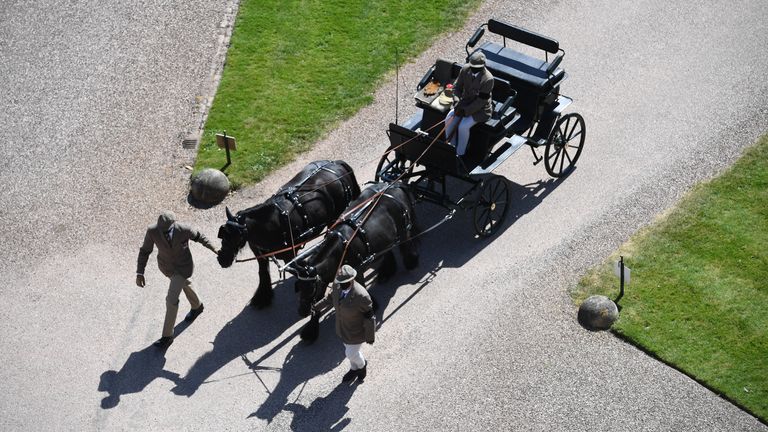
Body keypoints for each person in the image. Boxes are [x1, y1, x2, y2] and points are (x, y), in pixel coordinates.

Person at [135, 211, 218, 349]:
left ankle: (167, 337)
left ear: (174, 223)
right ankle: (197, 306)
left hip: (183, 268)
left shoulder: (184, 229)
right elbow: (145, 251)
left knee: (171, 299)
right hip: (167, 268)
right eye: (161, 229)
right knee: (184, 284)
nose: (163, 231)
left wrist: (215, 249)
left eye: (167, 229)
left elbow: (200, 237)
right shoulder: (152, 231)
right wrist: (140, 272)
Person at [312, 265, 375, 383]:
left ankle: (362, 366)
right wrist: (316, 307)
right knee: (351, 351)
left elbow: (370, 317)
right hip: (342, 329)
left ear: (352, 279)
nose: (342, 285)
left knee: (350, 353)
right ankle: (354, 369)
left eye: (345, 282)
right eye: (340, 282)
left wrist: (370, 336)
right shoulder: (337, 285)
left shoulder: (362, 295)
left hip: (356, 331)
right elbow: (330, 298)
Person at [444, 51, 494, 156]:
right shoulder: (465, 69)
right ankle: (451, 147)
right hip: (463, 104)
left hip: (481, 110)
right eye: (472, 66)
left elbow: (481, 101)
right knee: (449, 118)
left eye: (477, 67)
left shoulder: (488, 79)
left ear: (483, 66)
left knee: (463, 126)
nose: (474, 69)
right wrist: (457, 101)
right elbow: (457, 88)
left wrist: (466, 111)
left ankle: (459, 153)